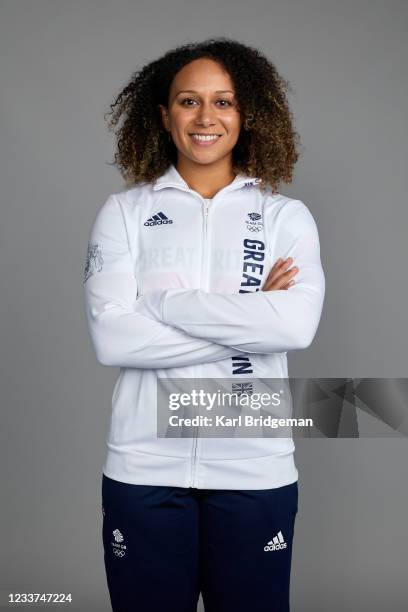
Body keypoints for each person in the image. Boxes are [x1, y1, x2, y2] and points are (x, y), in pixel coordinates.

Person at [83, 37, 325, 612]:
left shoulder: (285, 216)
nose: (205, 117)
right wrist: (249, 317)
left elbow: (294, 329)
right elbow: (112, 338)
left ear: (247, 115)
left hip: (253, 465)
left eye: (224, 101)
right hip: (144, 466)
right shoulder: (125, 213)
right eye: (189, 101)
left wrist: (165, 304)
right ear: (165, 116)